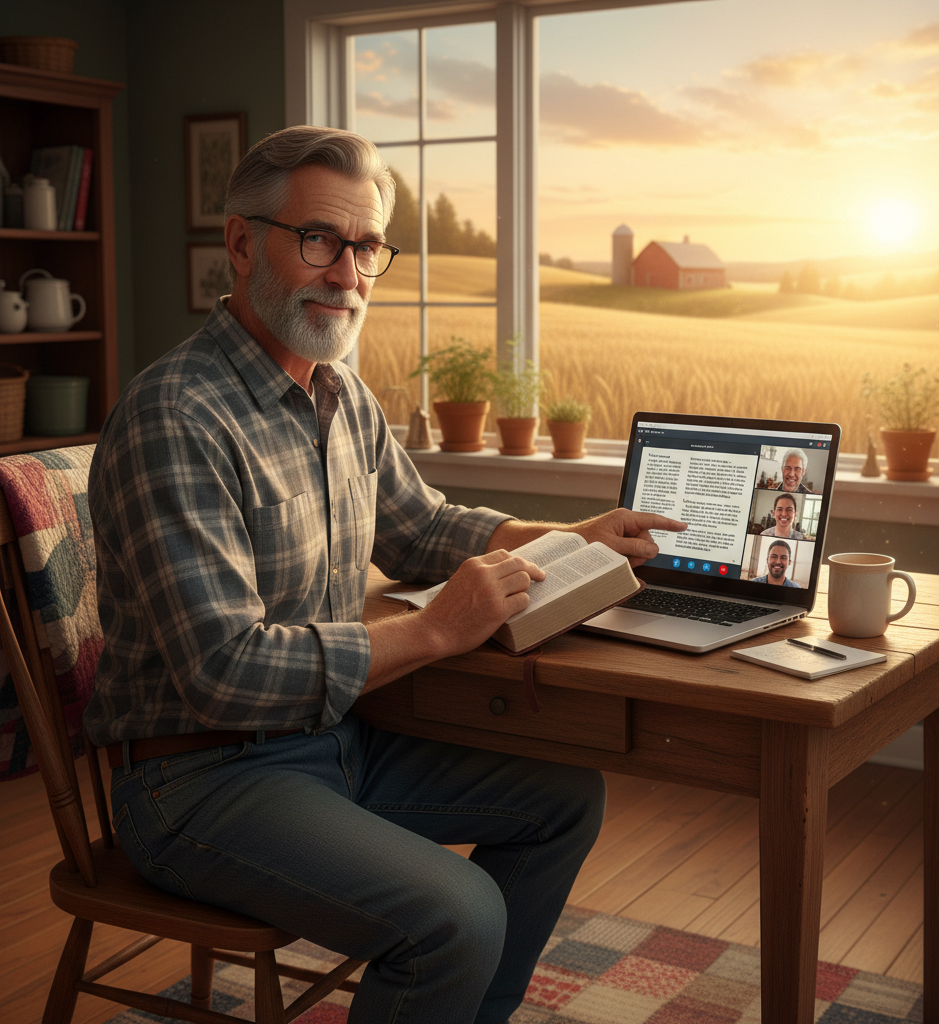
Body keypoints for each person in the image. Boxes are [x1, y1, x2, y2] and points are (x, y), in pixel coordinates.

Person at [83, 125, 686, 1024]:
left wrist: (568, 534)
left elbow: (421, 529)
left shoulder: (340, 392)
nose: (348, 274)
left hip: (329, 743)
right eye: (321, 240)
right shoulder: (179, 416)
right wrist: (436, 630)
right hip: (195, 780)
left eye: (367, 249)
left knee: (566, 796)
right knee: (458, 915)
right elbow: (224, 670)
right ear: (243, 244)